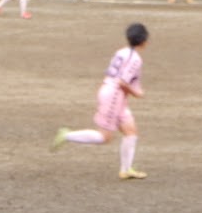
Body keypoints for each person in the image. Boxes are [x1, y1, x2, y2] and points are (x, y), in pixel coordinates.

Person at [51, 22, 150, 180]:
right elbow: (122, 82)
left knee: (131, 132)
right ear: (144, 41)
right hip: (114, 96)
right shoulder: (135, 59)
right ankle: (67, 135)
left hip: (112, 94)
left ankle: (126, 170)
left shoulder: (121, 51)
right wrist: (136, 93)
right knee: (105, 137)